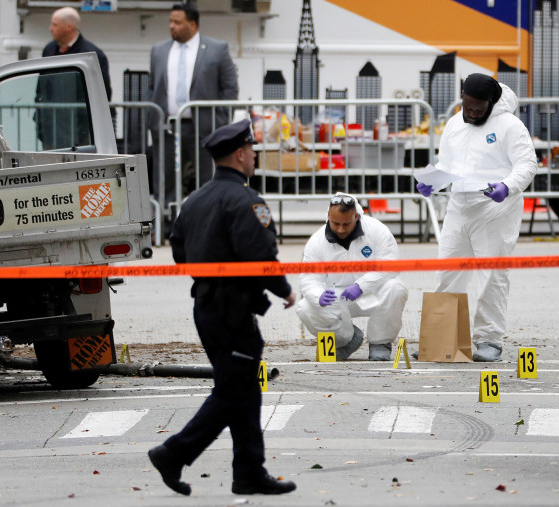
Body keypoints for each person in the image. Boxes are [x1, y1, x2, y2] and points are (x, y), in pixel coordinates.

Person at [147, 119, 297, 496]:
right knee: (234, 390)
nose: (254, 157)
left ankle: (248, 471)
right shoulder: (246, 200)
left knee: (244, 387)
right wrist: (284, 290)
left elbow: (179, 251)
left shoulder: (195, 200)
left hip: (208, 306)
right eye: (252, 151)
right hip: (232, 310)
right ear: (241, 153)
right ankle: (174, 452)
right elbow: (259, 254)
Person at [416, 74, 537, 362]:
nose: (471, 112)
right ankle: (441, 339)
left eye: (477, 108)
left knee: (492, 275)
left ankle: (489, 339)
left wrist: (507, 186)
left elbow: (527, 164)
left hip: (496, 208)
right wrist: (433, 182)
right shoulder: (455, 123)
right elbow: (447, 164)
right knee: (448, 272)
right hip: (459, 205)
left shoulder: (509, 125)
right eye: (467, 105)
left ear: (491, 102)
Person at [295, 193, 408, 361]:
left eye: (346, 224)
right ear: (328, 217)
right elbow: (308, 278)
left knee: (396, 289)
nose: (341, 229)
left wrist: (361, 286)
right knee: (305, 307)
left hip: (371, 290)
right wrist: (318, 295)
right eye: (336, 224)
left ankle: (380, 342)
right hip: (336, 296)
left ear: (356, 216)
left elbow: (390, 264)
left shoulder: (377, 230)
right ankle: (345, 340)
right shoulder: (317, 241)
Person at [148, 3, 239, 204]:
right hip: (167, 128)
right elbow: (153, 87)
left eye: (177, 22)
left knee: (207, 179)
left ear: (192, 24)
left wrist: (221, 120)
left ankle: (208, 220)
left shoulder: (217, 49)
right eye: (170, 21)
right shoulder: (158, 51)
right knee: (165, 180)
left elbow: (230, 88)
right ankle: (168, 224)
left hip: (205, 128)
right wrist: (153, 121)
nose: (172, 26)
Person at [35, 7, 111, 150]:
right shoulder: (49, 50)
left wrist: (85, 126)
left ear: (69, 27)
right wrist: (40, 121)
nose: (50, 28)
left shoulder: (92, 55)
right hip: (51, 130)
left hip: (80, 133)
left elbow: (103, 94)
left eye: (55, 24)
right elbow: (41, 88)